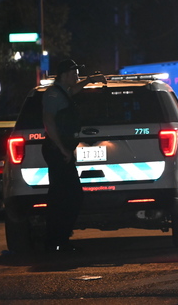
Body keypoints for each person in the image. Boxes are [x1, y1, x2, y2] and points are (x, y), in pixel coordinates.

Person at [42, 59, 106, 252]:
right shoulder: (53, 95)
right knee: (67, 196)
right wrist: (61, 148)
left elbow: (73, 90)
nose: (77, 76)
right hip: (57, 151)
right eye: (75, 73)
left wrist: (89, 79)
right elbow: (49, 123)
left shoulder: (62, 92)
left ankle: (57, 240)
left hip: (61, 150)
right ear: (65, 75)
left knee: (64, 196)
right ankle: (57, 241)